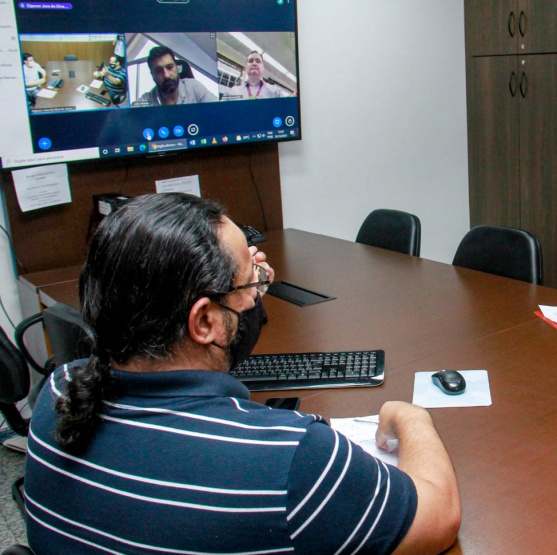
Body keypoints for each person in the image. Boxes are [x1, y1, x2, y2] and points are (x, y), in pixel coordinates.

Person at [23, 193, 461, 554]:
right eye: (250, 284)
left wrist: (242, 283)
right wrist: (412, 416)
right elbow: (438, 517)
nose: (256, 295)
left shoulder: (59, 393)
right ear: (204, 323)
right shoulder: (291, 459)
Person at [134, 46, 216, 106]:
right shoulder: (145, 102)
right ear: (152, 75)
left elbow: (219, 109)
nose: (166, 75)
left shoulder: (194, 88)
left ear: (177, 68)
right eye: (159, 71)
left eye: (170, 67)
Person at [222, 50, 289, 100]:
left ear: (263, 67)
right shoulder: (232, 92)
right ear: (246, 67)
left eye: (258, 61)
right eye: (250, 61)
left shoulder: (275, 92)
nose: (254, 63)